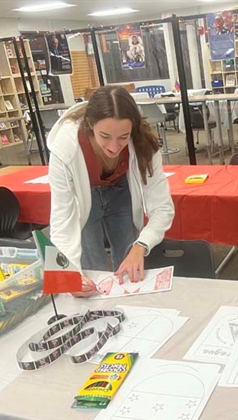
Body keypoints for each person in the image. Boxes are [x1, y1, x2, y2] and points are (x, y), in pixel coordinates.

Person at [47, 85, 175, 297]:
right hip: (85, 194)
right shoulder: (65, 149)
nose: (114, 147)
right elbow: (61, 219)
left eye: (123, 137)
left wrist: (140, 246)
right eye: (105, 136)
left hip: (120, 189)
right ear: (90, 125)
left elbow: (162, 207)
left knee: (130, 263)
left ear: (133, 129)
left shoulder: (143, 144)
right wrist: (69, 277)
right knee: (90, 270)